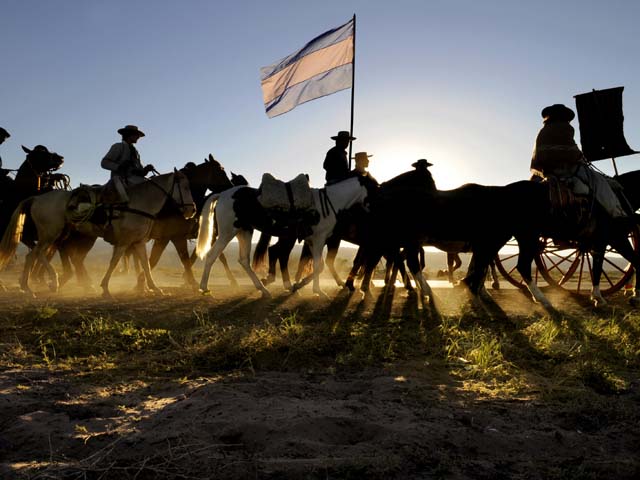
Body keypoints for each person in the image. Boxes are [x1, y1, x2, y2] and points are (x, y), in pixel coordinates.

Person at [531, 104, 628, 218]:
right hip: (565, 170)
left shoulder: (542, 131)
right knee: (599, 182)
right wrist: (580, 157)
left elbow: (547, 151)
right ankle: (618, 214)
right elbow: (570, 150)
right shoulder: (564, 127)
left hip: (544, 172)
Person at [100, 125, 156, 202]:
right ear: (129, 135)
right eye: (136, 135)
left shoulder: (136, 152)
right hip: (121, 182)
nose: (138, 137)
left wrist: (145, 170)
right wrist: (119, 167)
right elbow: (104, 163)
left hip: (135, 180)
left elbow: (139, 171)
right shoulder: (118, 146)